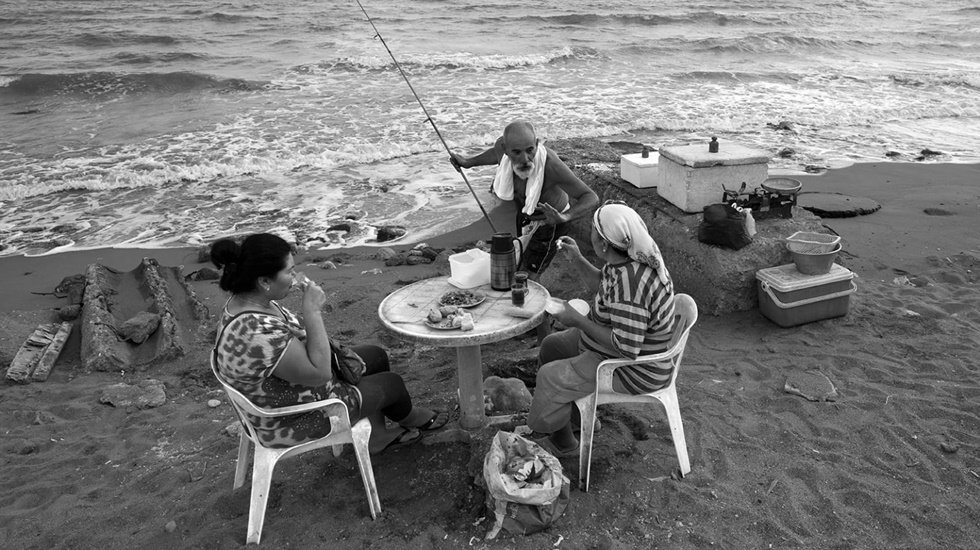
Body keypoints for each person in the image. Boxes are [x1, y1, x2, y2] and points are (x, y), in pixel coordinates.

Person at [210, 233, 447, 454]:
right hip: (288, 419)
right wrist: (312, 311)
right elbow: (320, 374)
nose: (294, 279)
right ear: (263, 280)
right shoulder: (256, 332)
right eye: (289, 272)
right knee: (392, 385)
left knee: (376, 356)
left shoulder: (246, 302)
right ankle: (411, 418)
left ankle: (376, 435)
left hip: (283, 391)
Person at [526, 202, 677, 457]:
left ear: (605, 244)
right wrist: (577, 258)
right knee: (552, 346)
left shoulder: (632, 282)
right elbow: (602, 284)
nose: (590, 234)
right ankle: (575, 423)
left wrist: (578, 320)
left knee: (550, 376)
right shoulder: (624, 260)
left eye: (594, 230)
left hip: (634, 368)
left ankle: (564, 442)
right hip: (614, 347)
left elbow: (626, 347)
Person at [450, 120, 599, 278]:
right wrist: (468, 162)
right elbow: (494, 154)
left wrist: (564, 217)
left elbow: (591, 197)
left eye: (530, 150)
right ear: (505, 150)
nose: (525, 159)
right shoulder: (501, 150)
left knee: (528, 274)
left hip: (550, 223)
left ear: (536, 143)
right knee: (516, 261)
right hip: (524, 217)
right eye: (517, 152)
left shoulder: (551, 165)